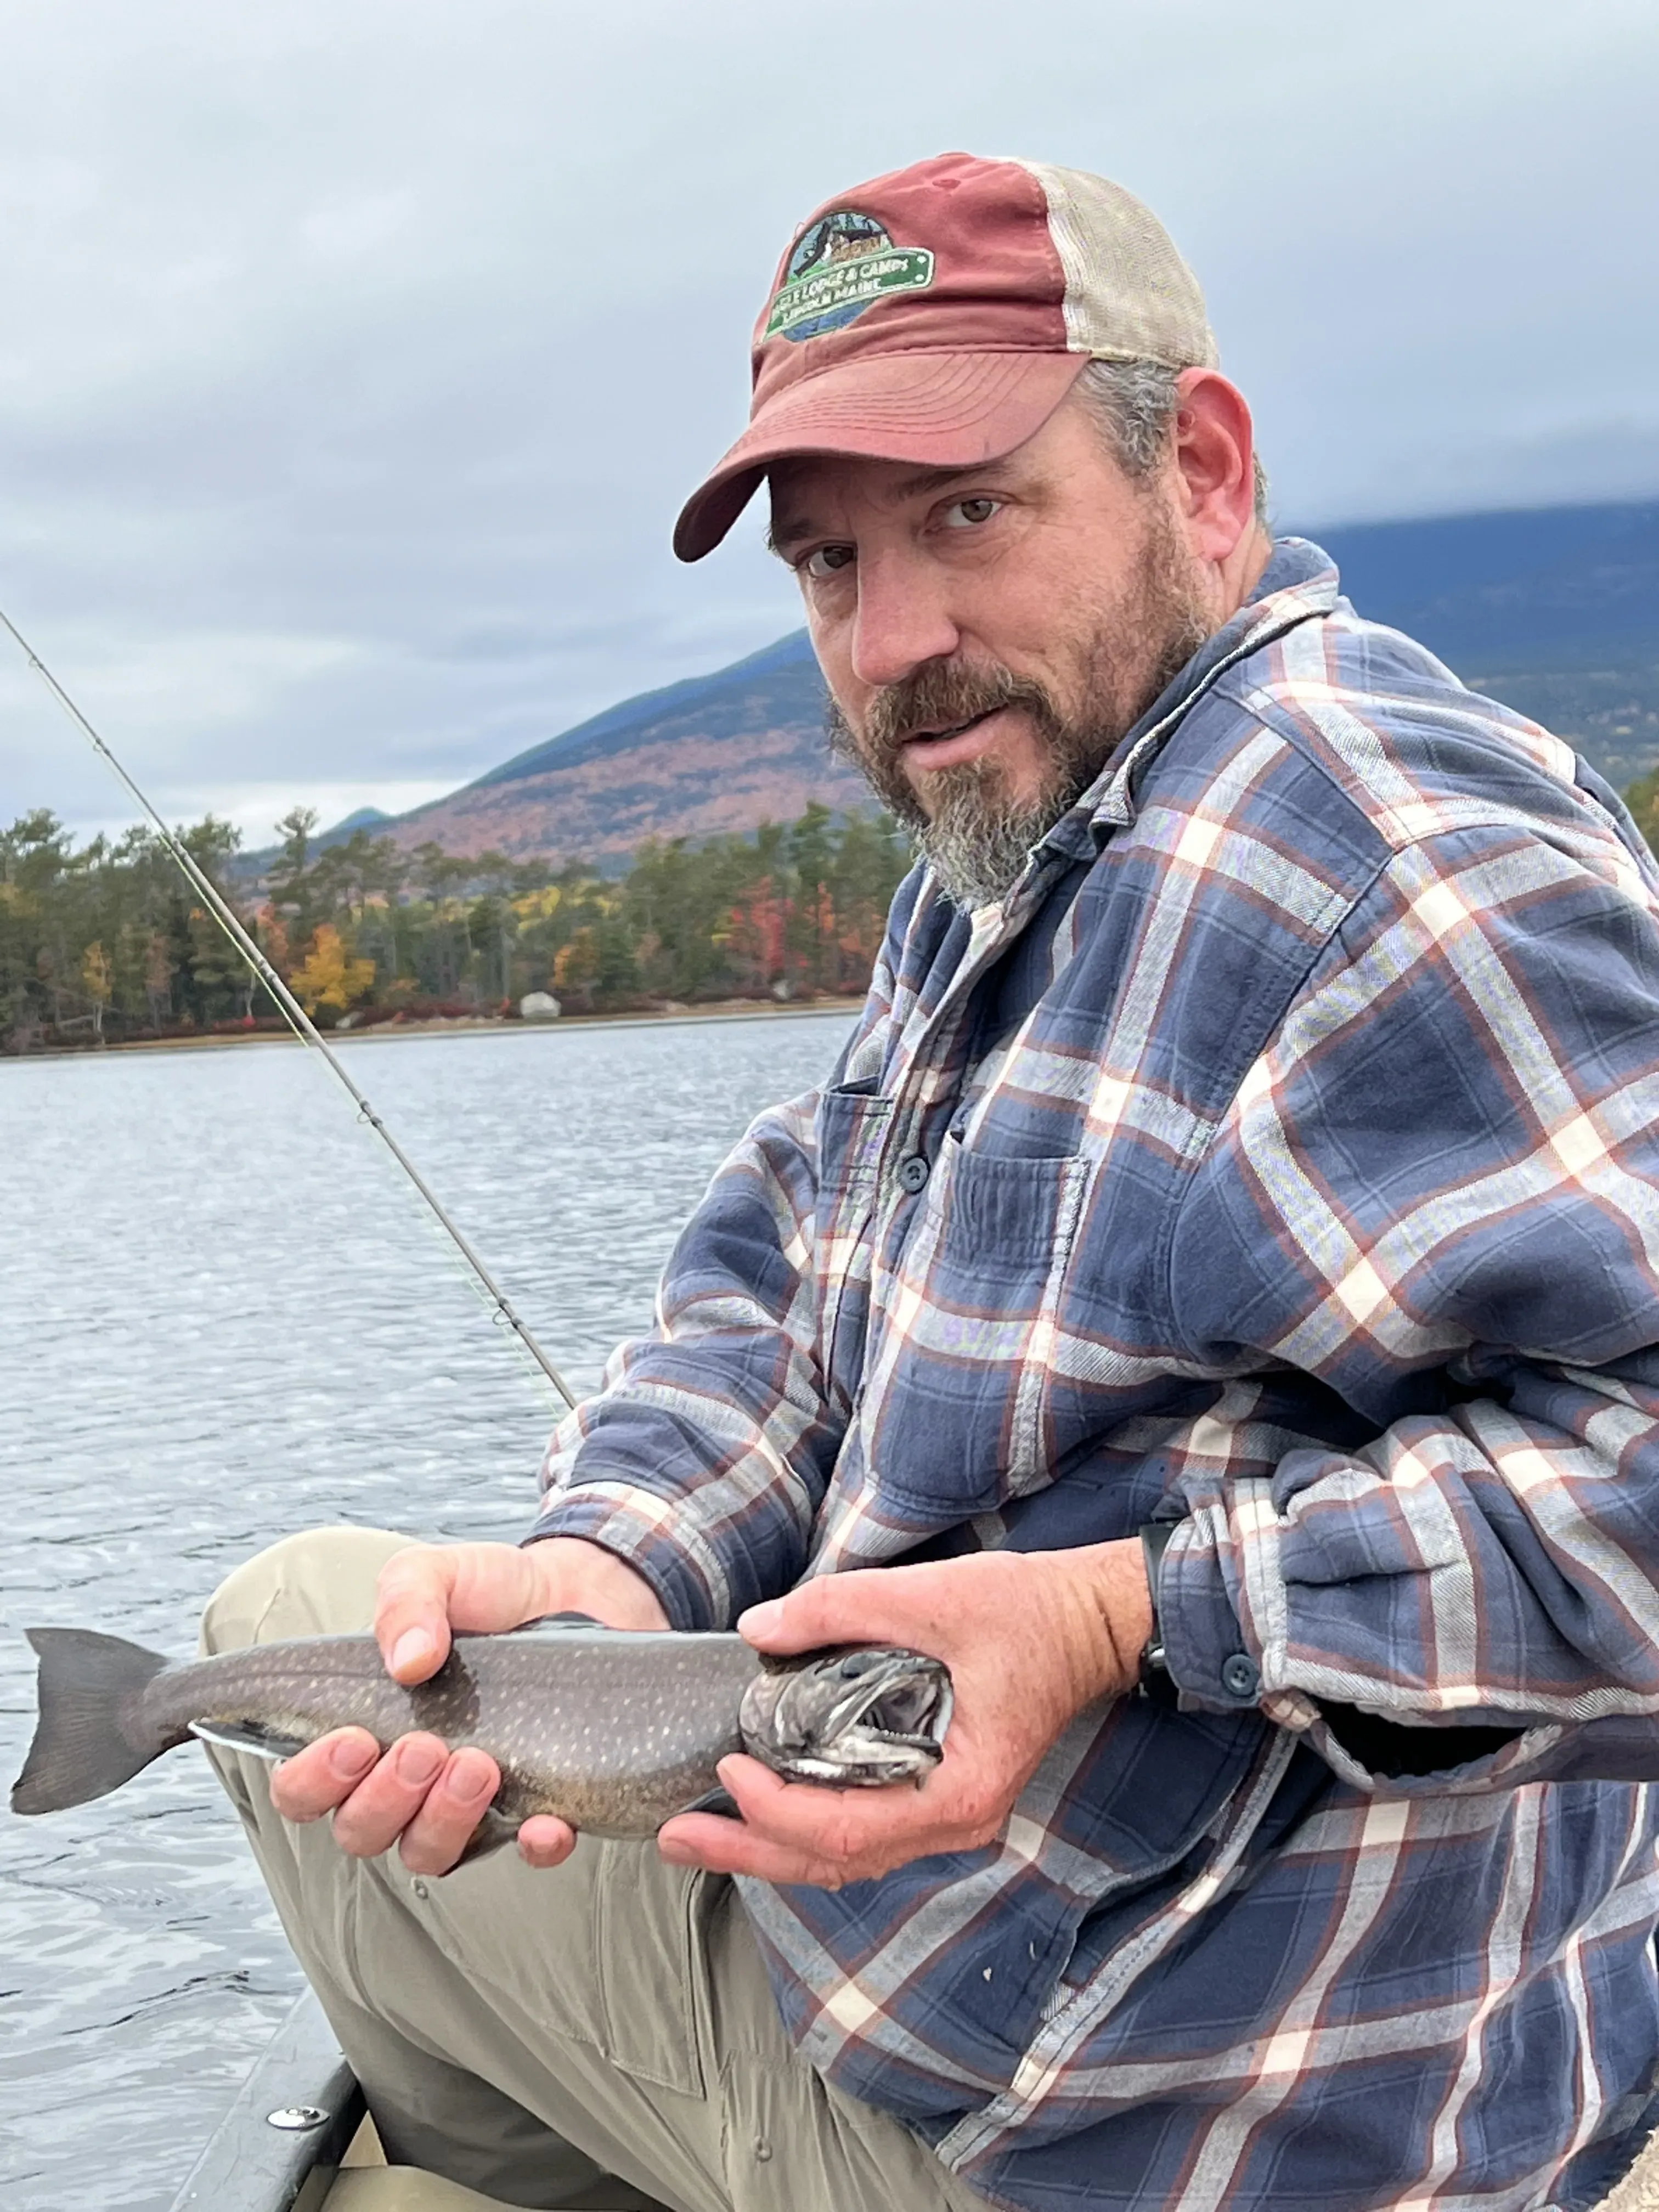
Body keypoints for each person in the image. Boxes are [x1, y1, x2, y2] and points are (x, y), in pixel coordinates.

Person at [205, 153, 1659, 2212]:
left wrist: (1118, 1617)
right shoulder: (1031, 829)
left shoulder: (1390, 858)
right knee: (378, 1653)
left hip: (1128, 2137)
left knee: (276, 1615)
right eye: (828, 569)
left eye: (969, 515)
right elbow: (792, 1279)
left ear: (1206, 473)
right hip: (984, 1987)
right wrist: (619, 1562)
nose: (899, 643)